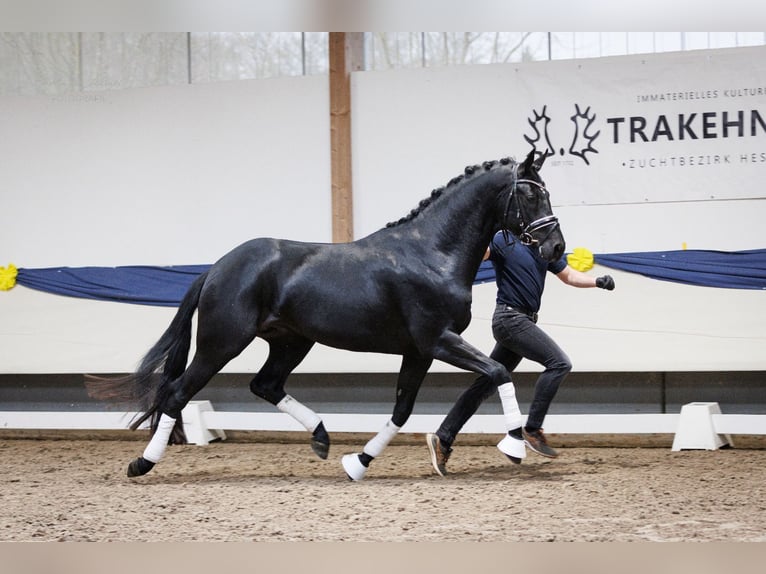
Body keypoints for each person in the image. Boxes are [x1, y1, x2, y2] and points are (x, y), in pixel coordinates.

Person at [426, 230, 615, 476]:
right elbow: (476, 256)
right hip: (509, 318)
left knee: (486, 383)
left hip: (523, 320)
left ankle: (443, 438)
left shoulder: (544, 245)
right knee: (559, 364)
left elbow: (567, 275)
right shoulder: (502, 238)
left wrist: (597, 281)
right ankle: (532, 430)